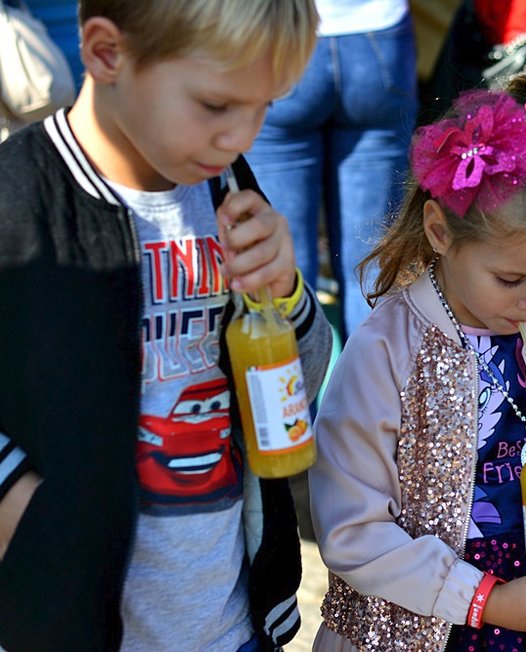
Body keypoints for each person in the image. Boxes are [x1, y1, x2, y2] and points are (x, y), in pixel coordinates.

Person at [0, 1, 331, 650]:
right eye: (215, 106)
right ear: (105, 53)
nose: (241, 135)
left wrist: (285, 293)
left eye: (264, 107)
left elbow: (301, 382)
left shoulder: (227, 188)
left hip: (228, 626)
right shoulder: (18, 201)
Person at [307, 69, 526, 651]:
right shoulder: (387, 352)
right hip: (418, 628)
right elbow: (351, 529)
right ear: (441, 231)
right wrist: (488, 600)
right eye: (511, 278)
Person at [246, 0, 418, 342]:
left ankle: (289, 395)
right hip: (379, 36)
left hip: (280, 32)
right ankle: (374, 395)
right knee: (373, 268)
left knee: (282, 267)